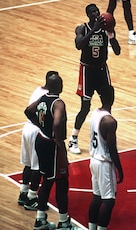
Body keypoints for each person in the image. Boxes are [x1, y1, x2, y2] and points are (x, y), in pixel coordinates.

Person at [24, 74, 80, 230]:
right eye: (61, 83)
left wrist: (40, 126)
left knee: (47, 181)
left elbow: (28, 111)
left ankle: (40, 220)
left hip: (41, 140)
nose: (62, 85)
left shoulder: (42, 98)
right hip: (52, 145)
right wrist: (59, 142)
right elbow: (56, 122)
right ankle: (63, 222)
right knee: (62, 182)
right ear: (58, 86)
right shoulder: (58, 103)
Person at [68, 3, 121, 154]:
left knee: (107, 104)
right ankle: (73, 139)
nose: (96, 13)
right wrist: (94, 28)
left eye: (97, 10)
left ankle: (106, 138)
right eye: (92, 12)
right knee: (85, 108)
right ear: (87, 14)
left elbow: (117, 51)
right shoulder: (82, 28)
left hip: (102, 70)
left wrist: (111, 34)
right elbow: (79, 45)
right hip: (87, 71)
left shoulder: (105, 30)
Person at [18, 70, 59, 210]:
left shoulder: (38, 89)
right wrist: (41, 126)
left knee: (28, 164)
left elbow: (28, 111)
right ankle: (31, 198)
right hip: (36, 131)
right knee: (37, 167)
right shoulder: (46, 96)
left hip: (26, 129)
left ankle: (23, 192)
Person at [88, 85, 124, 230]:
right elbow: (112, 148)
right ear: (113, 99)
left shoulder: (95, 113)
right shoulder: (110, 121)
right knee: (109, 201)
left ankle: (91, 228)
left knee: (97, 197)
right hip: (104, 163)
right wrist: (119, 169)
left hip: (93, 160)